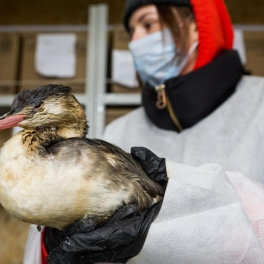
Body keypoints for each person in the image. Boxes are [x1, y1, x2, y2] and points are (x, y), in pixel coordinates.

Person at [24, 0, 264, 263]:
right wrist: (54, 241)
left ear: (197, 25)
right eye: (132, 31)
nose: (136, 41)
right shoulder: (116, 134)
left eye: (148, 24)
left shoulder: (259, 105)